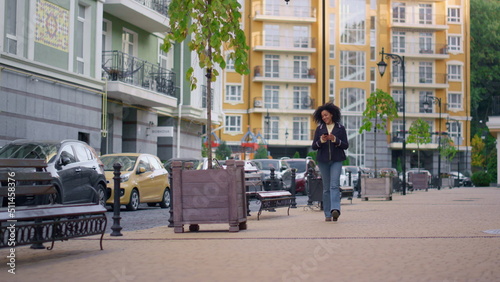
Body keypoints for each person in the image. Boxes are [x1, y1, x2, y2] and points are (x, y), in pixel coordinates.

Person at [311, 102, 349, 222]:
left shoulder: (340, 128)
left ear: (331, 114)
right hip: (323, 161)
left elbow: (345, 145)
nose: (324, 118)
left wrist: (335, 140)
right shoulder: (319, 129)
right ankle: (327, 213)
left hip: (337, 160)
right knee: (326, 188)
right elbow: (314, 147)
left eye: (326, 115)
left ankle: (335, 210)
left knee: (334, 185)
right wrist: (321, 141)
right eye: (322, 116)